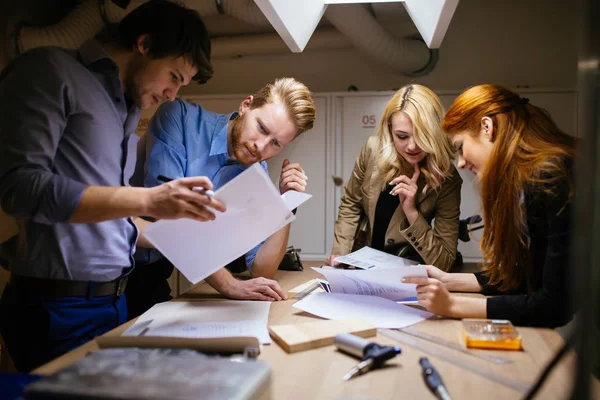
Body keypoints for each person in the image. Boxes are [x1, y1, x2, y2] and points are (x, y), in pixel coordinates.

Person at [0, 0, 226, 372]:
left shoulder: (126, 108)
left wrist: (188, 235)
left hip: (115, 301)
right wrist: (149, 198)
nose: (173, 95)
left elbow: (111, 217)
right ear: (145, 44)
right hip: (58, 306)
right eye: (173, 76)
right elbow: (20, 188)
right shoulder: (50, 70)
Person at [126, 77, 316, 318]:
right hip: (107, 267)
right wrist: (228, 285)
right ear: (246, 106)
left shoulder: (256, 174)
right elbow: (167, 219)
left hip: (153, 273)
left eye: (275, 143)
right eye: (262, 128)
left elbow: (261, 269)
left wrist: (287, 204)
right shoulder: (179, 118)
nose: (261, 146)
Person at [403, 84, 576, 328]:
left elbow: (554, 305)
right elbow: (525, 276)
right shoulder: (533, 178)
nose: (461, 163)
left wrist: (453, 306)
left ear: (487, 127)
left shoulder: (551, 176)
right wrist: (450, 280)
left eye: (460, 147)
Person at [327, 84, 462, 271]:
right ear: (390, 130)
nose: (412, 146)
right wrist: (340, 253)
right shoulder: (372, 150)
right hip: (364, 266)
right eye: (402, 136)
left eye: (421, 136)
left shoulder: (447, 178)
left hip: (409, 269)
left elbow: (444, 262)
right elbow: (351, 202)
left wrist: (412, 212)